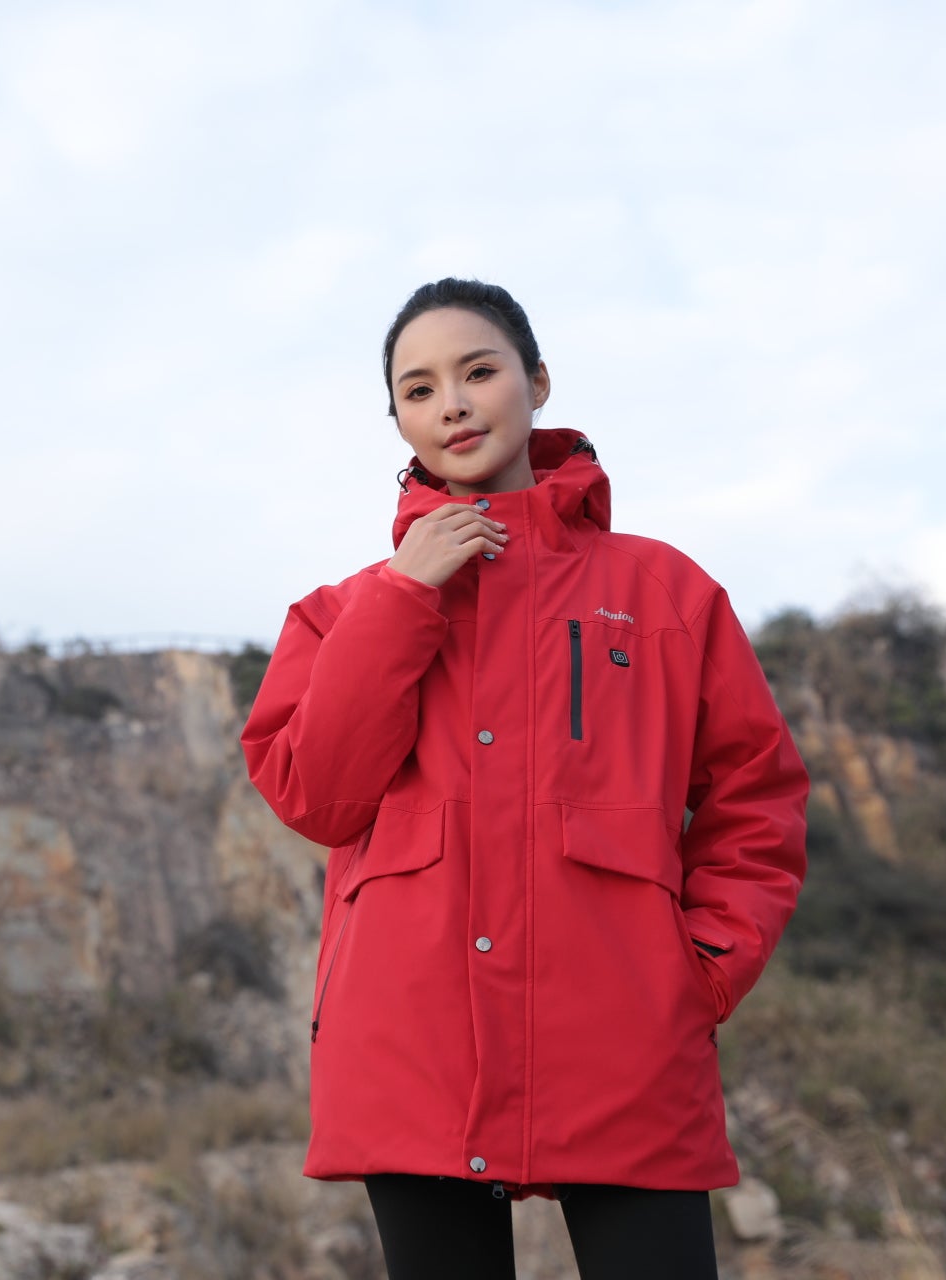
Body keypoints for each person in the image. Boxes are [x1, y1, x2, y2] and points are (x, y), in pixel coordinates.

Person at [237, 277, 811, 1279]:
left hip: (627, 1035)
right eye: (417, 389)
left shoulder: (662, 589)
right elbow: (319, 796)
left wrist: (702, 967)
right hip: (412, 1041)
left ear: (537, 381)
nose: (451, 402)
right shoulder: (341, 612)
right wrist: (405, 597)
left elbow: (755, 794)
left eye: (477, 370)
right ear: (400, 423)